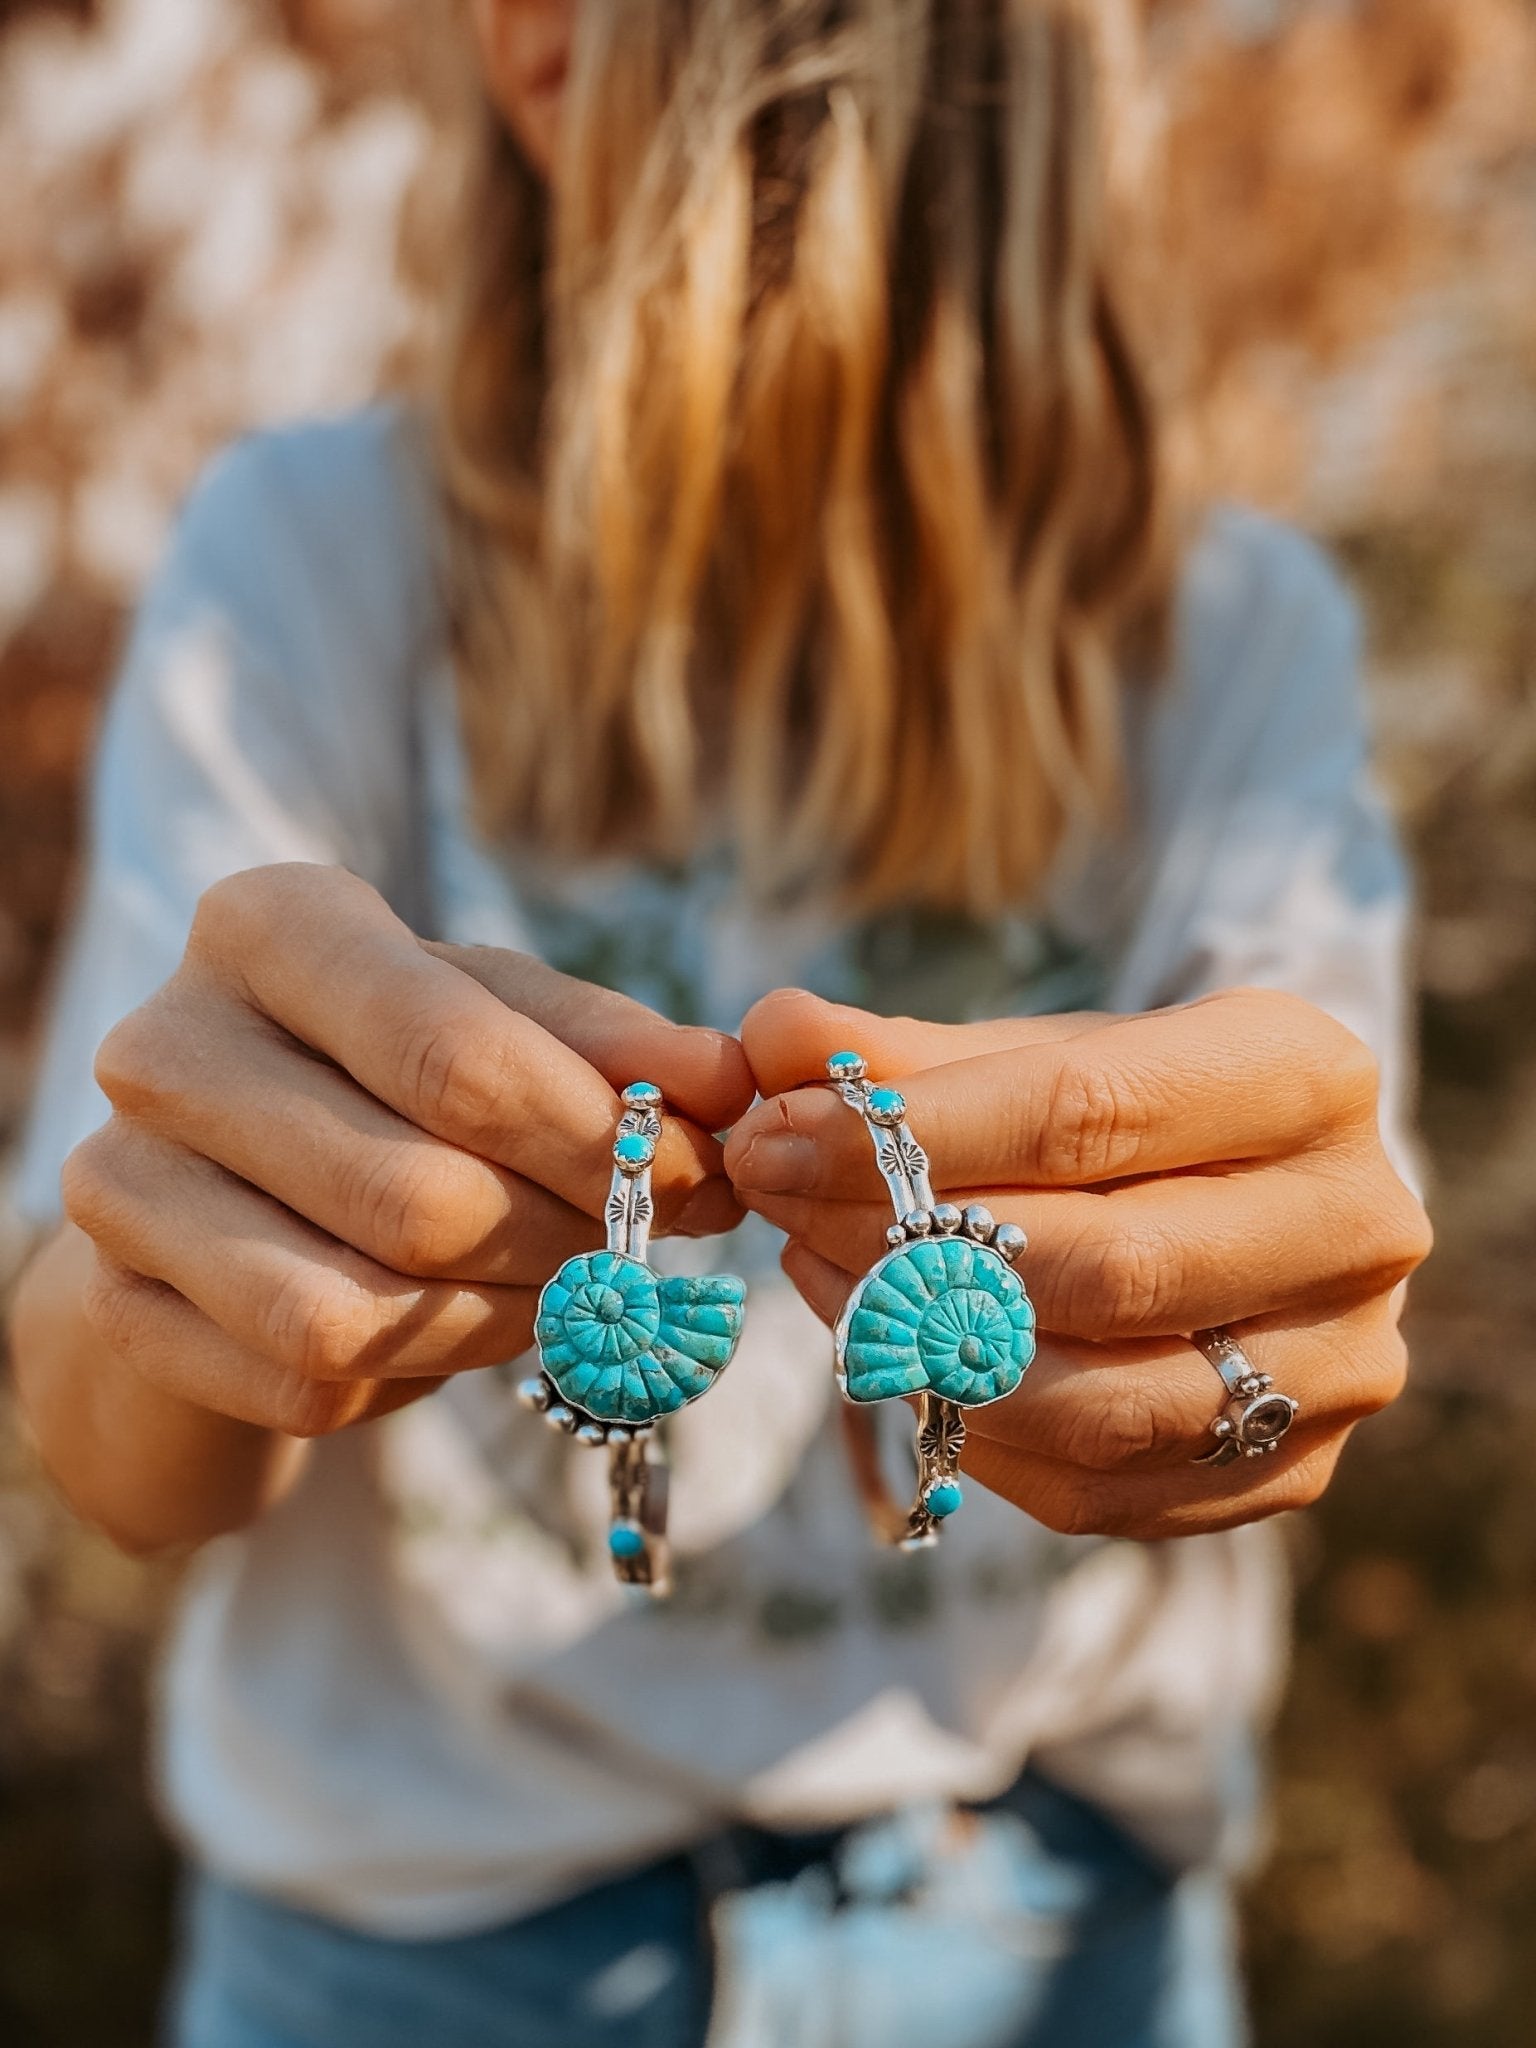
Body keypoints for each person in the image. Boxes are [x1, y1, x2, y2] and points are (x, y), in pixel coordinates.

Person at [10, 3, 1430, 2044]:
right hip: (415, 1948)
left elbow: (1311, 1324)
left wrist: (1245, 1379)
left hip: (1052, 1925)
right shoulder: (303, 573)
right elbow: (112, 1430)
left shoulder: (1237, 640)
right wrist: (186, 1291)